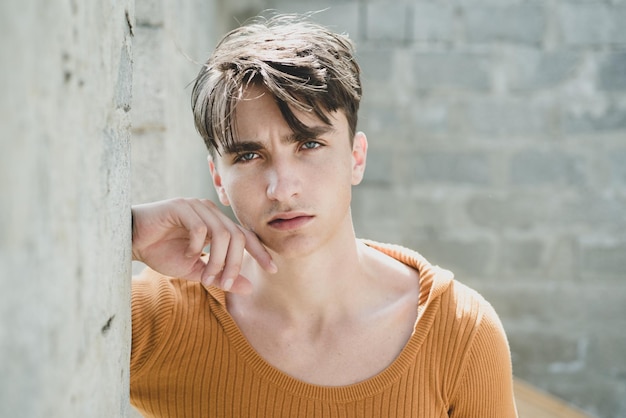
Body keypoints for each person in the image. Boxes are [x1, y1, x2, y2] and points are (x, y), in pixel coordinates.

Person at [129, 14, 518, 418]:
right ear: (218, 180)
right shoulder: (165, 315)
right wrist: (129, 235)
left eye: (309, 144)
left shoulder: (459, 333)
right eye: (248, 155)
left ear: (356, 157)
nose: (282, 188)